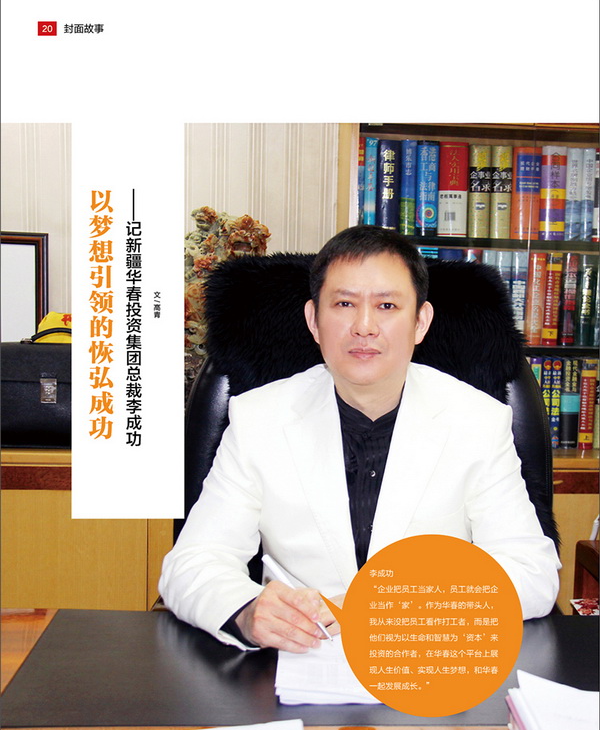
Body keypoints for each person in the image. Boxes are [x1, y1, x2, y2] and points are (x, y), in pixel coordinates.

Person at [159, 226, 561, 652]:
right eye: (344, 304)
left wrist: (390, 606)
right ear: (314, 321)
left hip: (424, 660)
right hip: (300, 657)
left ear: (420, 322)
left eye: (387, 305)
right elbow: (192, 563)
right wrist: (246, 611)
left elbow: (531, 572)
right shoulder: (258, 418)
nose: (364, 326)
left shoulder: (478, 421)